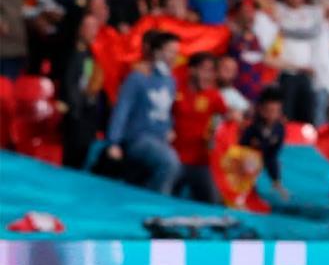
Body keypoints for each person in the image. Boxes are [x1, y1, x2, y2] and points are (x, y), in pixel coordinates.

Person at [105, 31, 182, 194]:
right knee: (170, 162)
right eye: (170, 51)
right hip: (138, 138)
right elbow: (122, 109)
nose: (174, 56)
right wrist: (113, 142)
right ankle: (155, 205)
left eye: (176, 52)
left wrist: (170, 127)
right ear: (157, 52)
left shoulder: (171, 81)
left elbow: (168, 111)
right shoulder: (138, 77)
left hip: (159, 139)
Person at [171, 52, 228, 203]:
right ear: (192, 70)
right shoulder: (175, 88)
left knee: (213, 203)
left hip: (201, 162)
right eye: (205, 70)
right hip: (173, 159)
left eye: (212, 71)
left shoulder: (214, 95)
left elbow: (230, 120)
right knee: (162, 198)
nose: (209, 75)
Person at [61, 13, 105, 169]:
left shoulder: (91, 54)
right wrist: (75, 110)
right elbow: (69, 83)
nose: (94, 31)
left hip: (87, 114)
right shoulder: (72, 52)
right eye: (89, 27)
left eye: (96, 27)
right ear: (80, 29)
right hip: (75, 115)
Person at [238, 86, 289, 202]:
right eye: (269, 111)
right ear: (261, 110)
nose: (272, 115)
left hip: (255, 166)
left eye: (276, 111)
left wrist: (276, 180)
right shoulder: (249, 127)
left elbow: (271, 156)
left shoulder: (279, 130)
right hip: (239, 163)